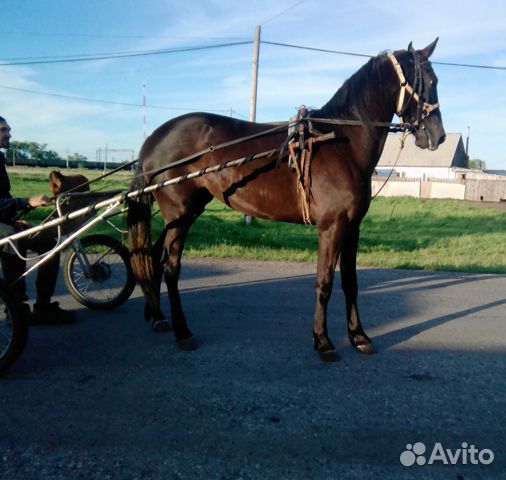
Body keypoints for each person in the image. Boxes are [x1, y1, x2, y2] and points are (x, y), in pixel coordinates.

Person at [0, 116, 76, 324]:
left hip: (4, 219)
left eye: (8, 129)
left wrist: (14, 218)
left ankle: (44, 306)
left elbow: (3, 195)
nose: (8, 134)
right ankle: (15, 308)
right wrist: (28, 201)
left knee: (48, 242)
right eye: (3, 130)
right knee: (12, 239)